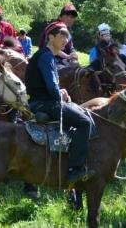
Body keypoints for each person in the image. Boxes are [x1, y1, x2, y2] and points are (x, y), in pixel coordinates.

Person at [27, 21, 95, 183]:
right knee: (85, 122)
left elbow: (49, 85)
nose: (65, 40)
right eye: (61, 36)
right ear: (51, 37)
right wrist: (59, 94)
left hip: (41, 101)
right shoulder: (46, 56)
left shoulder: (44, 55)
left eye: (67, 36)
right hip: (44, 104)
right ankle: (74, 169)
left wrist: (61, 91)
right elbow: (51, 88)